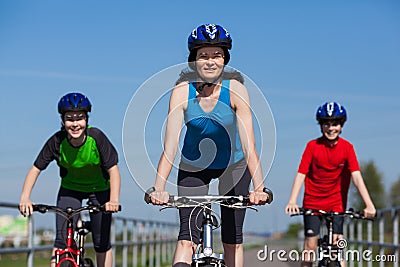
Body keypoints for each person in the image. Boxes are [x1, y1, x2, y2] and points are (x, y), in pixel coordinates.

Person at [145, 24, 273, 267]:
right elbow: (170, 147)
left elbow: (249, 146)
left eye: (217, 55)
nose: (211, 61)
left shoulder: (236, 90)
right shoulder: (182, 92)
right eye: (204, 55)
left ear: (225, 59)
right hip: (194, 166)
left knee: (232, 240)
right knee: (186, 239)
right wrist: (158, 188)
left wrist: (260, 188)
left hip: (233, 165)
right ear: (194, 60)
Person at [19, 92, 121, 267]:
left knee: (100, 242)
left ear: (86, 120)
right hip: (70, 190)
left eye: (79, 118)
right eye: (70, 119)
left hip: (100, 190)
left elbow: (114, 171)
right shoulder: (57, 141)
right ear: (63, 121)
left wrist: (113, 200)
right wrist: (25, 198)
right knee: (60, 241)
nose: (75, 124)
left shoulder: (96, 138)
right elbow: (35, 169)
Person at [285, 101, 376, 267]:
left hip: (336, 203)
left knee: (337, 246)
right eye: (326, 124)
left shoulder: (347, 148)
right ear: (321, 126)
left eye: (335, 124)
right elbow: (301, 174)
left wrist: (369, 205)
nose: (331, 128)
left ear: (341, 126)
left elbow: (356, 177)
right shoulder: (312, 146)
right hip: (312, 201)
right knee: (310, 245)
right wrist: (292, 201)